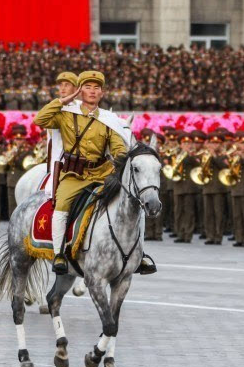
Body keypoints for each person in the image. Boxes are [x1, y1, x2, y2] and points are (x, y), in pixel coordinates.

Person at [34, 70, 155, 275]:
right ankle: (58, 253)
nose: (92, 91)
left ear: (102, 93)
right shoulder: (66, 114)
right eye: (87, 87)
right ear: (80, 91)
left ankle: (139, 253)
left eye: (96, 88)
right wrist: (63, 100)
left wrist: (121, 159)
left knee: (132, 201)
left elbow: (118, 148)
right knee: (62, 205)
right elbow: (40, 119)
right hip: (74, 174)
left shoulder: (109, 120)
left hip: (102, 173)